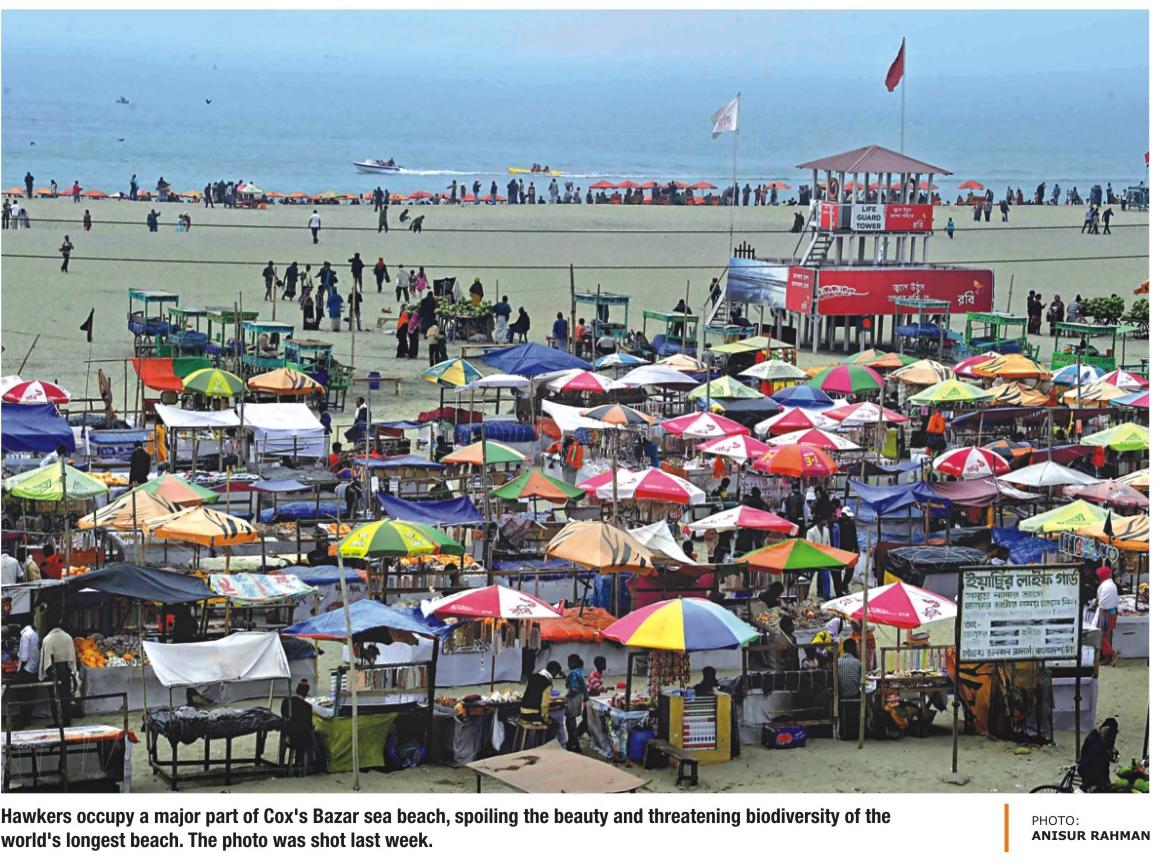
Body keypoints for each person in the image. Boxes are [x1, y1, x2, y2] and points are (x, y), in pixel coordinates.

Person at [39, 617, 78, 727]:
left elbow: (45, 659)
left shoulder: (48, 639)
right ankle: (67, 720)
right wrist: (72, 668)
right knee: (66, 695)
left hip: (52, 669)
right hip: (65, 670)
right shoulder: (67, 637)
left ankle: (57, 721)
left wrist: (44, 672)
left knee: (54, 697)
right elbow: (71, 656)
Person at [1078, 718, 1120, 792]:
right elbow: (1085, 766)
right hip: (1094, 782)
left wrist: (1112, 751)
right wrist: (1092, 785)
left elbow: (1108, 746)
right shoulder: (1095, 745)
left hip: (1102, 779)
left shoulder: (1098, 738)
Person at [14, 620, 40, 727]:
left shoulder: (25, 635)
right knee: (30, 695)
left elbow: (24, 657)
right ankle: (27, 718)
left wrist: (20, 671)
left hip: (26, 669)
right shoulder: (34, 634)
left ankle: (23, 720)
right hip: (33, 668)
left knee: (22, 696)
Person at [836, 638, 863, 740]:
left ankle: (843, 731)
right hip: (854, 694)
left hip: (841, 695)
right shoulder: (857, 662)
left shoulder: (837, 662)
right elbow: (861, 680)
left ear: (843, 649)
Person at [1096, 565, 1119, 666]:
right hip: (1113, 611)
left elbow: (1098, 601)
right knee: (1108, 635)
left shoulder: (1103, 586)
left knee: (1102, 635)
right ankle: (1107, 658)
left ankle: (1112, 654)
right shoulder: (1113, 584)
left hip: (1105, 611)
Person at [563, 654, 587, 751]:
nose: (568, 664)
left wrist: (565, 697)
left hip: (573, 700)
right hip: (579, 699)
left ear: (573, 662)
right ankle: (574, 744)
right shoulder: (580, 672)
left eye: (569, 662)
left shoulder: (573, 674)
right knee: (572, 722)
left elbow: (573, 688)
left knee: (570, 722)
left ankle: (573, 743)